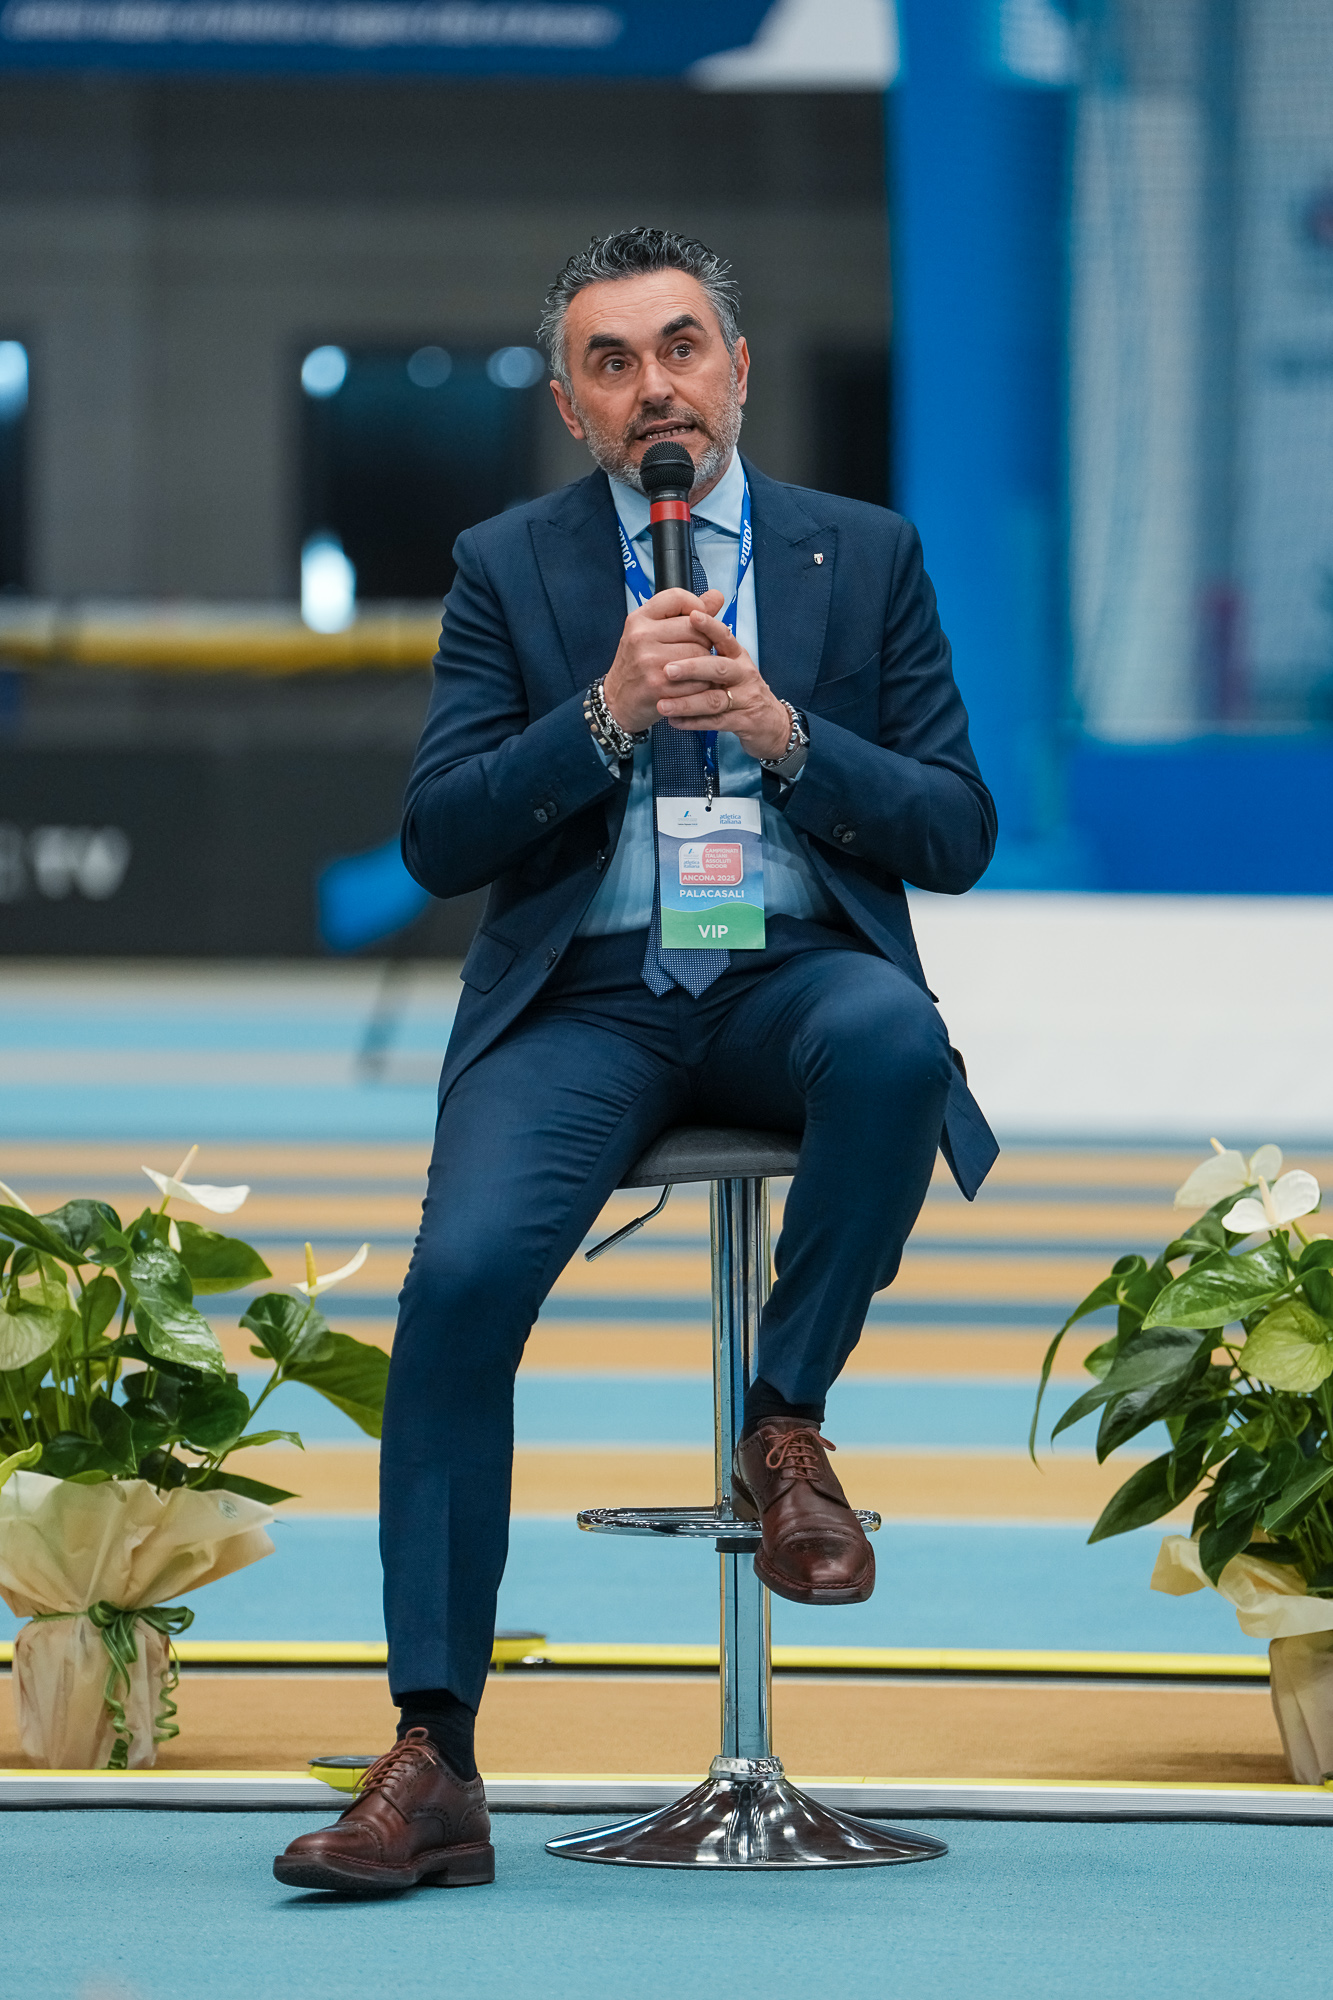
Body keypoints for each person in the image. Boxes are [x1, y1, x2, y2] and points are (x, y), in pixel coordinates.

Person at [275, 226, 997, 1893]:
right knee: (457, 1285)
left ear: (736, 371)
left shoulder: (860, 553)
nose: (652, 385)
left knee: (895, 1039)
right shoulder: (506, 566)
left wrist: (782, 736)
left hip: (790, 977)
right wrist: (603, 711)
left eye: (680, 347)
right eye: (611, 362)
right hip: (584, 1000)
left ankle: (784, 1422)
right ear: (570, 407)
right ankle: (433, 1760)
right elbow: (439, 836)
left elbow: (955, 829)